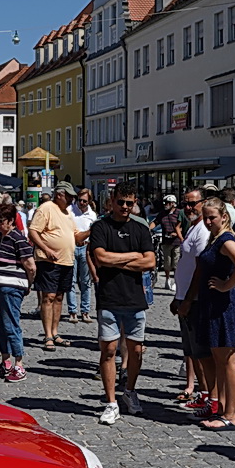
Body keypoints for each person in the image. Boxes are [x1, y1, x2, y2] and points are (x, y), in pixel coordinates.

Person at [88, 182, 156, 424]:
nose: (125, 207)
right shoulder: (100, 227)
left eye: (129, 203)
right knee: (108, 350)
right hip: (109, 297)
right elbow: (100, 257)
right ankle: (111, 402)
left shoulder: (140, 228)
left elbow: (150, 262)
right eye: (121, 202)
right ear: (112, 201)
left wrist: (115, 260)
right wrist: (133, 257)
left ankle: (129, 390)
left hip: (135, 298)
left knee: (136, 351)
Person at [191, 197, 235, 430]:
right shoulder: (218, 237)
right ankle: (223, 409)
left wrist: (226, 285)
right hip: (213, 304)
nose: (208, 222)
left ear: (224, 216)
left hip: (224, 305)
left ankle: (231, 415)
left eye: (212, 217)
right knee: (219, 360)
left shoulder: (225, 239)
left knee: (227, 360)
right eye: (205, 218)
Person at [172, 188, 217, 409]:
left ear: (203, 203)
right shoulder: (192, 227)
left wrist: (188, 299)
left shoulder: (203, 231)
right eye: (186, 204)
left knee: (201, 353)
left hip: (196, 300)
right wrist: (178, 296)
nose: (189, 208)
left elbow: (200, 268)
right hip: (185, 297)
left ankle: (209, 395)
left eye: (193, 203)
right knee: (192, 351)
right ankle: (203, 393)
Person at [0, 199, 36, 381]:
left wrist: (28, 284)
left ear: (11, 221)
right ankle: (6, 362)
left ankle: (19, 365)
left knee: (11, 325)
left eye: (1, 221)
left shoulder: (18, 239)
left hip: (11, 288)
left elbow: (30, 266)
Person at [28, 183, 78, 350]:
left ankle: (55, 332)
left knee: (59, 297)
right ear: (59, 195)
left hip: (66, 260)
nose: (71, 199)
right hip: (48, 261)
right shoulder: (46, 208)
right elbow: (33, 231)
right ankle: (48, 335)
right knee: (48, 296)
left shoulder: (68, 213)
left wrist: (93, 230)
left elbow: (76, 236)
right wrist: (47, 249)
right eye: (68, 196)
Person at [69, 188, 100, 323]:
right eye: (79, 200)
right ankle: (72, 311)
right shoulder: (70, 211)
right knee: (71, 281)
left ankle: (85, 311)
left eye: (84, 201)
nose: (81, 203)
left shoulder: (92, 215)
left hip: (86, 248)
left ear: (89, 201)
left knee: (86, 281)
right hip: (71, 246)